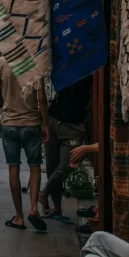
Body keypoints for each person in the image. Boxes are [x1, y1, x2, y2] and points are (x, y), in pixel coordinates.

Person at [0, 56, 49, 231]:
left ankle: (19, 216)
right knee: (34, 166)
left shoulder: (1, 63)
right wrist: (45, 124)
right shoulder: (34, 60)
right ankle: (33, 208)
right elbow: (41, 99)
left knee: (13, 168)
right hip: (31, 123)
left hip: (9, 123)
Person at [39, 75, 93, 218]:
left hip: (74, 124)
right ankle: (57, 207)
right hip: (55, 119)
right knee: (52, 165)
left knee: (65, 166)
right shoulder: (62, 69)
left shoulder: (87, 72)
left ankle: (44, 193)